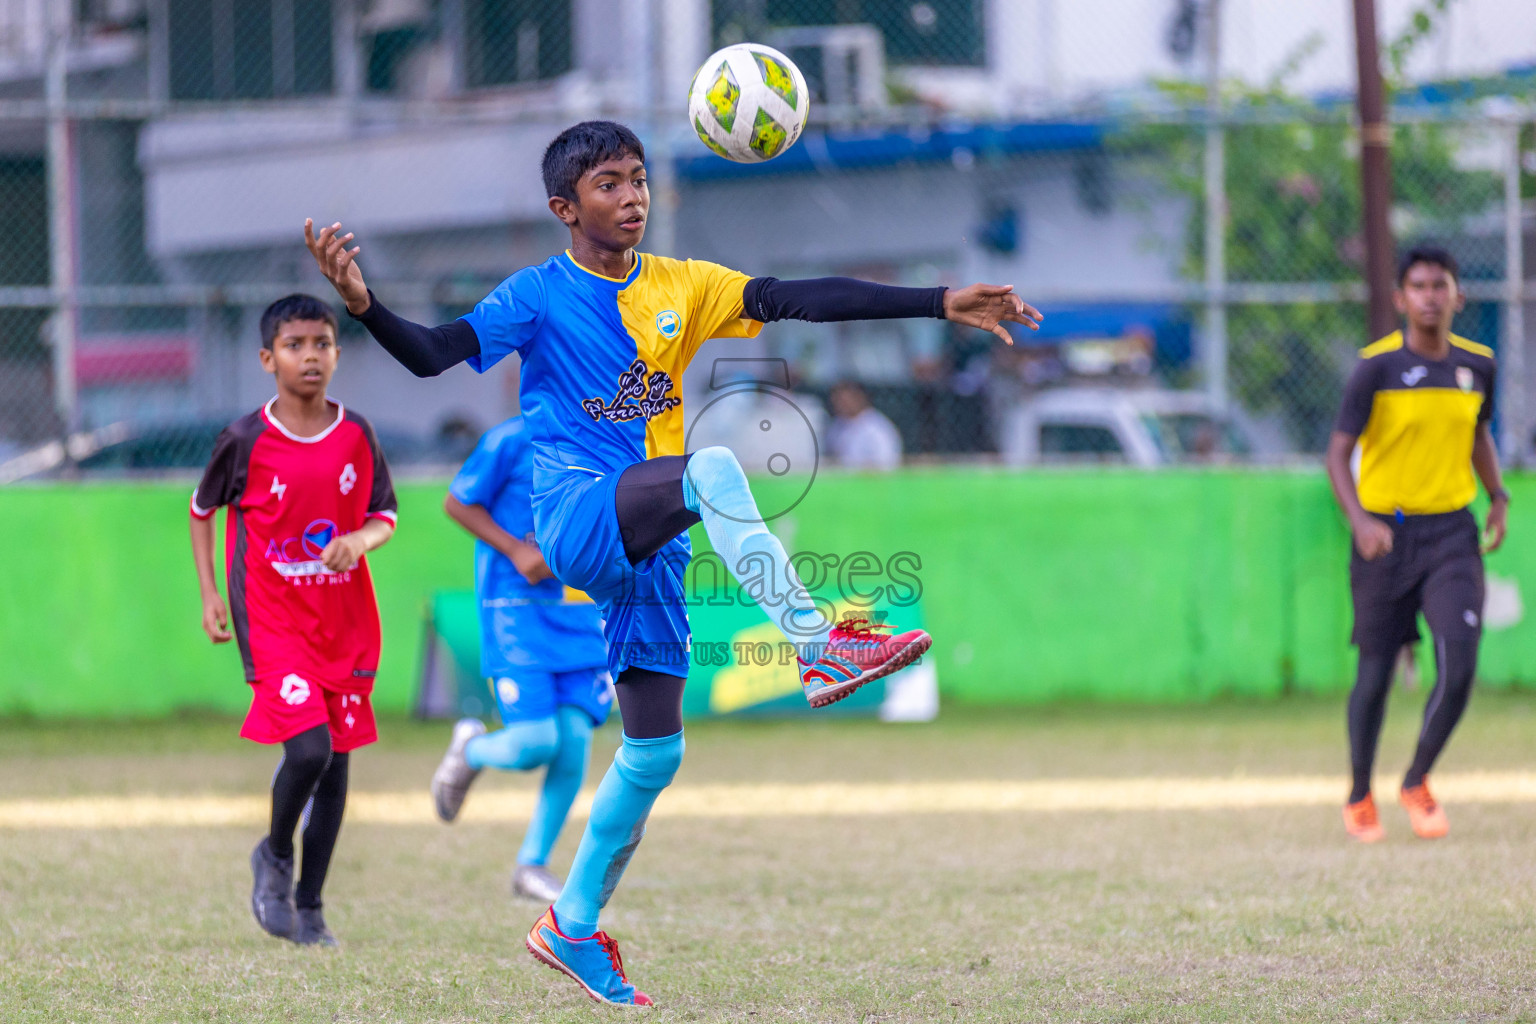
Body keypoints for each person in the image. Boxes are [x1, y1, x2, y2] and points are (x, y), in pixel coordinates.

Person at [304, 120, 1040, 1005]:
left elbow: (799, 298)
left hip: (652, 539)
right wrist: (361, 303)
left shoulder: (682, 286)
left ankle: (568, 927)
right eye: (608, 183)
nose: (632, 196)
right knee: (718, 468)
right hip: (579, 515)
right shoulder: (537, 295)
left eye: (639, 178)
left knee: (654, 754)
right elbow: (431, 357)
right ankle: (818, 643)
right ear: (564, 207)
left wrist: (938, 301)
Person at [188, 294, 398, 945]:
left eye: (322, 343)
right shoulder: (246, 438)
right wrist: (210, 595)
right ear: (267, 358)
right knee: (309, 749)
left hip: (343, 622)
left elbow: (383, 515)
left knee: (337, 766)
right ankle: (275, 854)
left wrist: (359, 541)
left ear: (337, 353)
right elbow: (202, 511)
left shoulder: (356, 434)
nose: (310, 356)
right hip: (273, 622)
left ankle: (310, 907)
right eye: (295, 345)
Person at [1325, 246, 1508, 844]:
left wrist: (1498, 496)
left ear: (1457, 296)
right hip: (1384, 535)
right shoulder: (1374, 368)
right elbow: (1335, 453)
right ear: (1401, 298)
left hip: (1452, 532)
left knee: (1460, 665)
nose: (1430, 296)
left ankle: (1417, 780)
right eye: (1419, 286)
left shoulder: (1478, 365)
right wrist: (1359, 521)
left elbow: (1478, 434)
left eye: (1441, 285)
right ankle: (1358, 796)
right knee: (1374, 676)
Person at [429, 415, 612, 904]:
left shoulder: (604, 436)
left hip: (579, 610)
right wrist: (514, 550)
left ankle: (532, 865)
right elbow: (457, 501)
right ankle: (471, 751)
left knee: (574, 740)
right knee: (535, 742)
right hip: (516, 612)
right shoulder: (509, 439)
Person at [827, 379, 903, 470]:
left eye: (845, 400)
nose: (841, 404)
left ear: (860, 398)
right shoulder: (836, 425)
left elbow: (887, 464)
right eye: (837, 400)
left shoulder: (877, 428)